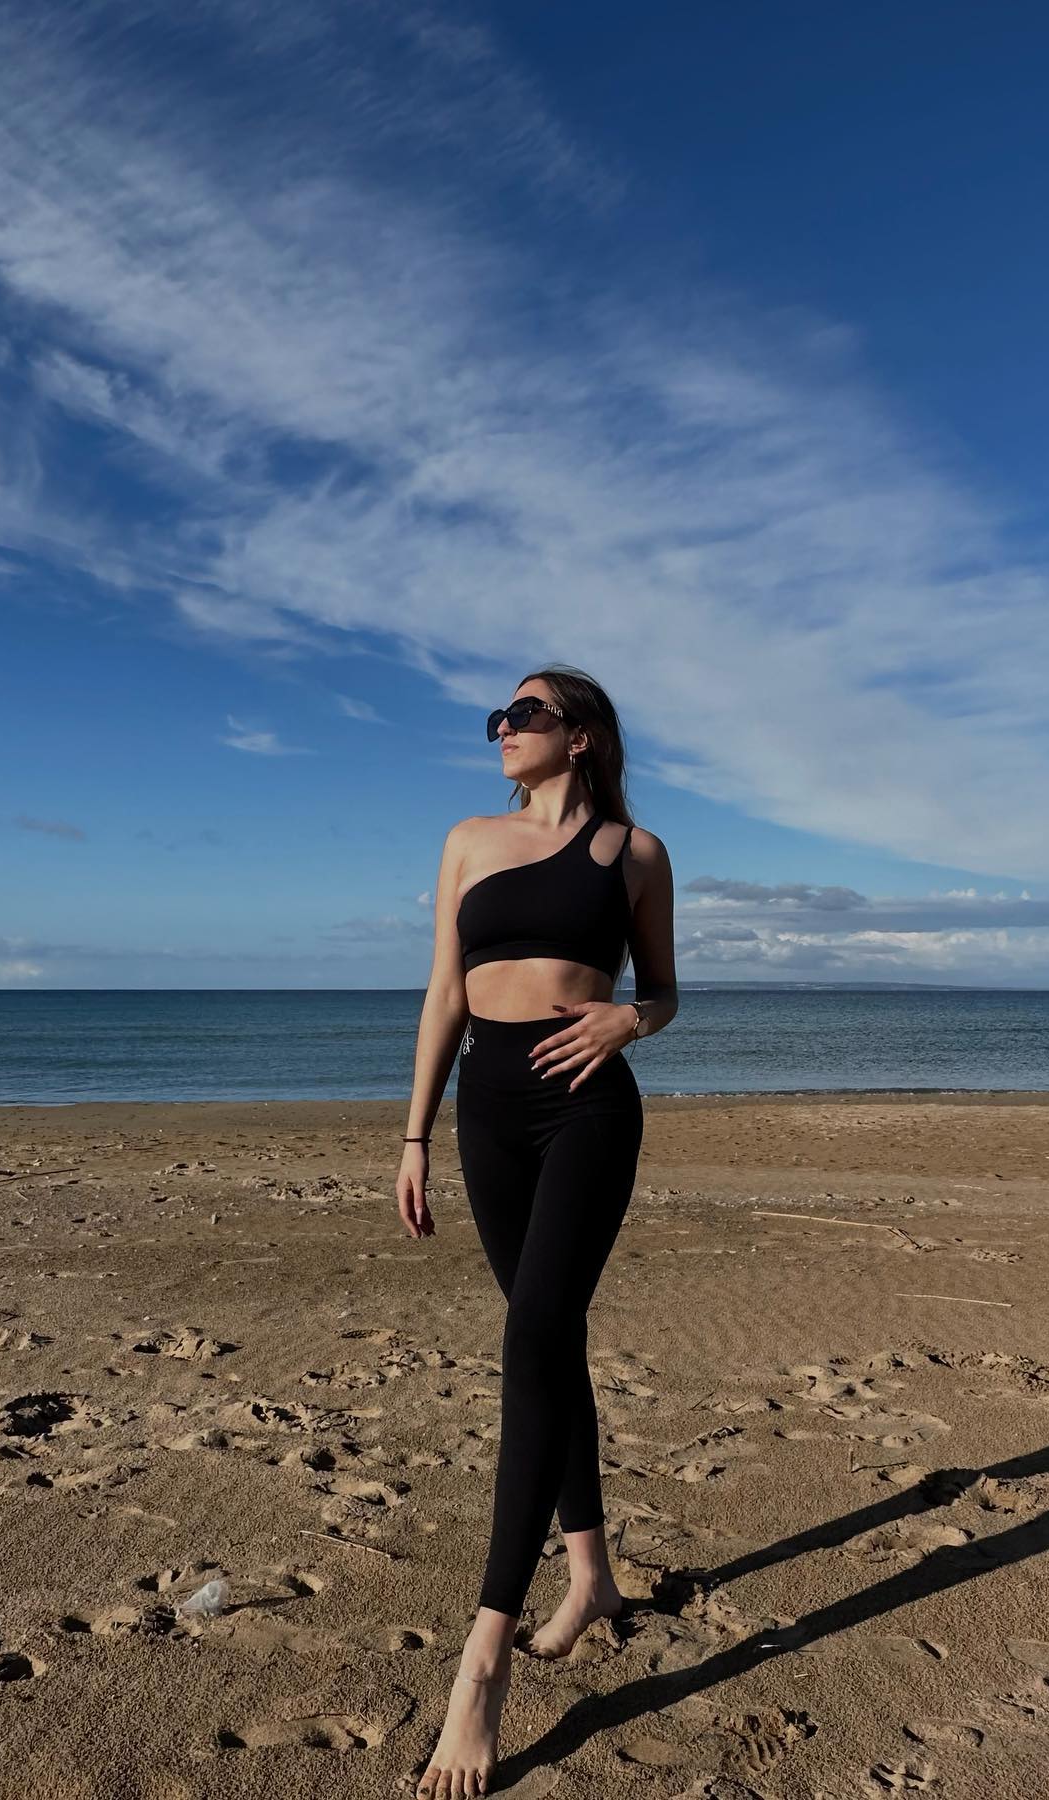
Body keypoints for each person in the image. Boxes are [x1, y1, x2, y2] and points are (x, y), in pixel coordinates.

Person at [397, 664, 677, 1799]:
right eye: (498, 718)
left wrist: (631, 1018)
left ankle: (482, 1664)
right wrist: (413, 1133)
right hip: (486, 1106)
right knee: (548, 1342)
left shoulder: (637, 854)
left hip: (588, 1106)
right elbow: (442, 993)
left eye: (526, 716)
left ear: (585, 736)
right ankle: (594, 1578)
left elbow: (662, 989)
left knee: (530, 1343)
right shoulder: (466, 838)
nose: (503, 730)